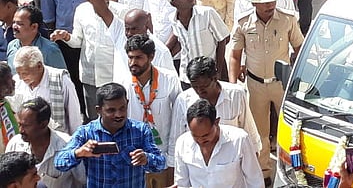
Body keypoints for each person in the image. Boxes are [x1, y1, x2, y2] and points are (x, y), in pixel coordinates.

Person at [229, 0, 304, 182]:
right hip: (255, 86)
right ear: (254, 3)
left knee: (289, 129)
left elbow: (300, 48)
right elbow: (235, 56)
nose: (270, 5)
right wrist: (234, 85)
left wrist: (298, 75)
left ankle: (292, 172)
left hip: (282, 83)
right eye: (265, 2)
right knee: (259, 134)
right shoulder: (243, 24)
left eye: (272, 0)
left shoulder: (288, 20)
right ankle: (265, 173)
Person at [55, 82, 167, 185]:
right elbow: (59, 163)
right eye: (111, 110)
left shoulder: (140, 130)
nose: (118, 114)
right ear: (98, 110)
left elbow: (161, 163)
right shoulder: (85, 133)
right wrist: (79, 153)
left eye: (122, 108)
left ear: (127, 103)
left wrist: (146, 158)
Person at [49, 0, 124, 117]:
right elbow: (78, 41)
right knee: (94, 116)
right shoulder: (81, 11)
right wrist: (66, 37)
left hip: (113, 73)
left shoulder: (120, 11)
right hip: (90, 75)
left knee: (115, 115)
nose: (103, 1)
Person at [168, 55, 261, 162]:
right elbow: (175, 143)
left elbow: (250, 134)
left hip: (231, 165)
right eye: (195, 87)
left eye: (204, 87)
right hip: (197, 167)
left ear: (215, 78)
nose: (199, 91)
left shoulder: (236, 95)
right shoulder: (183, 101)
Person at [123, 34, 180, 186]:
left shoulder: (170, 80)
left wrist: (172, 159)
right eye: (130, 58)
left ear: (151, 56)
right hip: (134, 158)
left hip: (163, 156)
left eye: (138, 58)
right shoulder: (123, 82)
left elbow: (178, 120)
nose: (133, 63)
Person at [173, 99, 264, 188]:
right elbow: (182, 183)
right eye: (195, 136)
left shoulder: (240, 140)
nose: (201, 141)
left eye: (205, 135)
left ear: (216, 122)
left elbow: (255, 180)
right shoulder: (182, 144)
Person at [8, 96, 85, 188]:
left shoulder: (68, 146)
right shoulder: (15, 144)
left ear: (43, 124)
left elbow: (83, 182)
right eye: (19, 124)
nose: (21, 130)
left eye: (26, 125)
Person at [166, 0, 229, 85]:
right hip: (187, 77)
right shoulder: (173, 20)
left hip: (209, 75)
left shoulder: (207, 13)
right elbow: (182, 43)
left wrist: (218, 71)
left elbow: (222, 40)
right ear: (174, 3)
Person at [12, 47, 80, 134]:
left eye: (25, 73)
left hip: (57, 140)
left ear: (39, 66)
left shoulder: (61, 80)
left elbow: (74, 117)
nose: (21, 77)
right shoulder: (17, 81)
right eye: (18, 73)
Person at [8, 5, 66, 74]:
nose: (14, 27)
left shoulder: (50, 50)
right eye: (14, 22)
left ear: (34, 27)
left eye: (20, 24)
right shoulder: (11, 46)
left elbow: (62, 78)